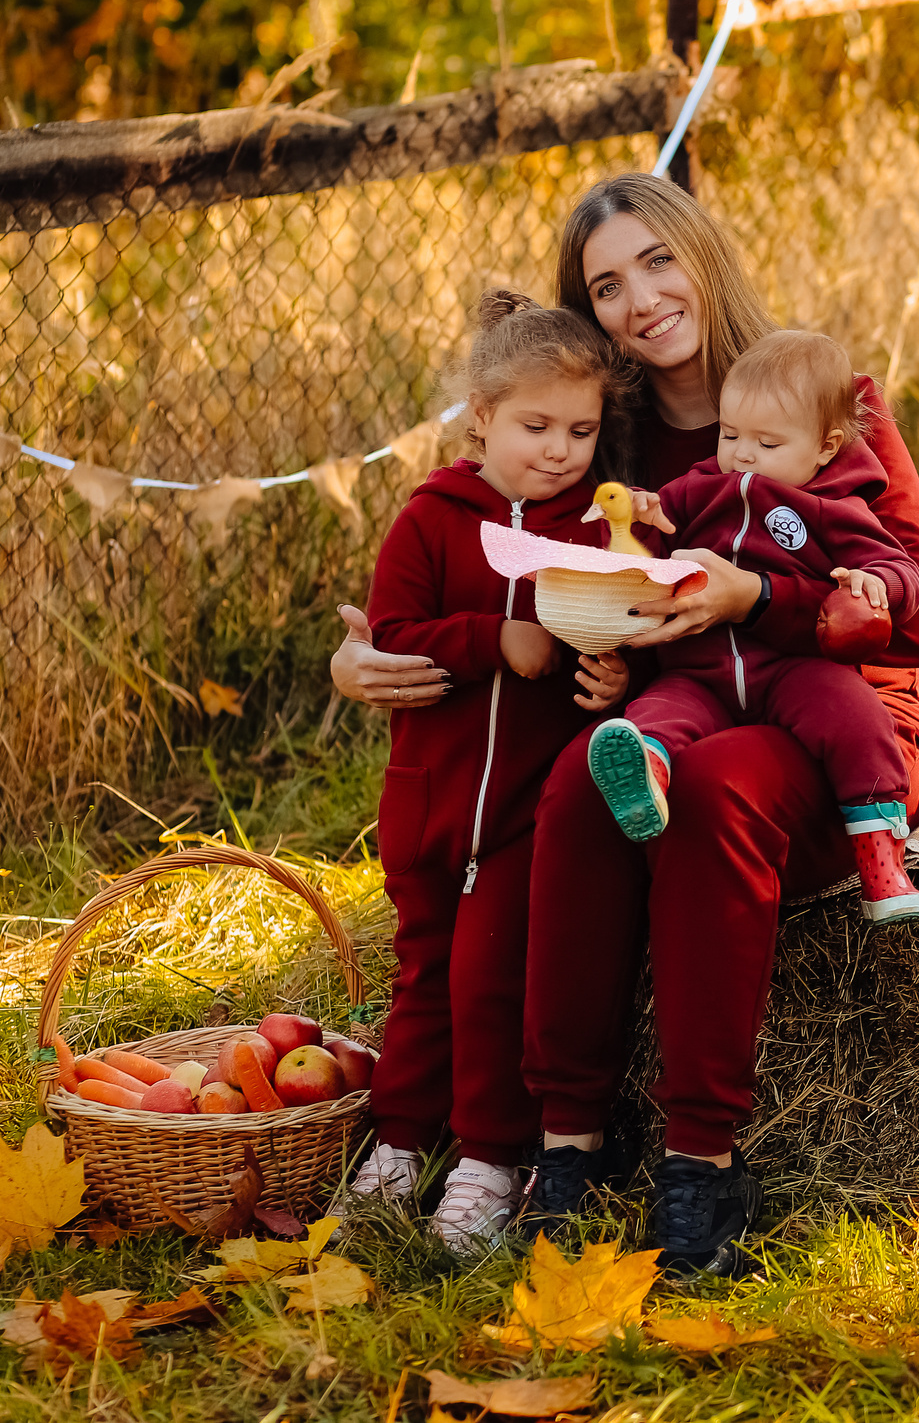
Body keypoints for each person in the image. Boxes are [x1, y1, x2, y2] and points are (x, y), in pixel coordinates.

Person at [330, 172, 919, 1275]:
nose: (641, 298)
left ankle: (700, 1170)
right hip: (680, 706)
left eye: (657, 260)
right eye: (606, 285)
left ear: (701, 252)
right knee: (579, 781)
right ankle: (560, 1148)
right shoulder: (596, 447)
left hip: (834, 720)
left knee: (710, 793)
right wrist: (372, 646)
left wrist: (758, 598)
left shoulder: (823, 399)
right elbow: (473, 542)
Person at [346, 290, 635, 1252]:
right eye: (536, 425)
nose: (559, 449)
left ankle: (488, 1158)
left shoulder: (593, 533)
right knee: (423, 970)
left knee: (488, 976)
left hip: (522, 809)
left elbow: (617, 626)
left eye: (581, 430)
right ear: (481, 418)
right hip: (428, 798)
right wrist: (491, 636)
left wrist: (605, 676)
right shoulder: (433, 518)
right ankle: (397, 1141)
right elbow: (393, 629)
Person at [589, 329, 919, 926]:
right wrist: (637, 516)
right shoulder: (697, 489)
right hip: (700, 671)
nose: (743, 454)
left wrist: (879, 584)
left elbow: (899, 567)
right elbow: (644, 547)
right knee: (656, 714)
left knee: (856, 719)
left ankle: (881, 859)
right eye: (730, 435)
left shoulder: (829, 506)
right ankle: (647, 773)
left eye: (768, 442)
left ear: (824, 448)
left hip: (794, 668)